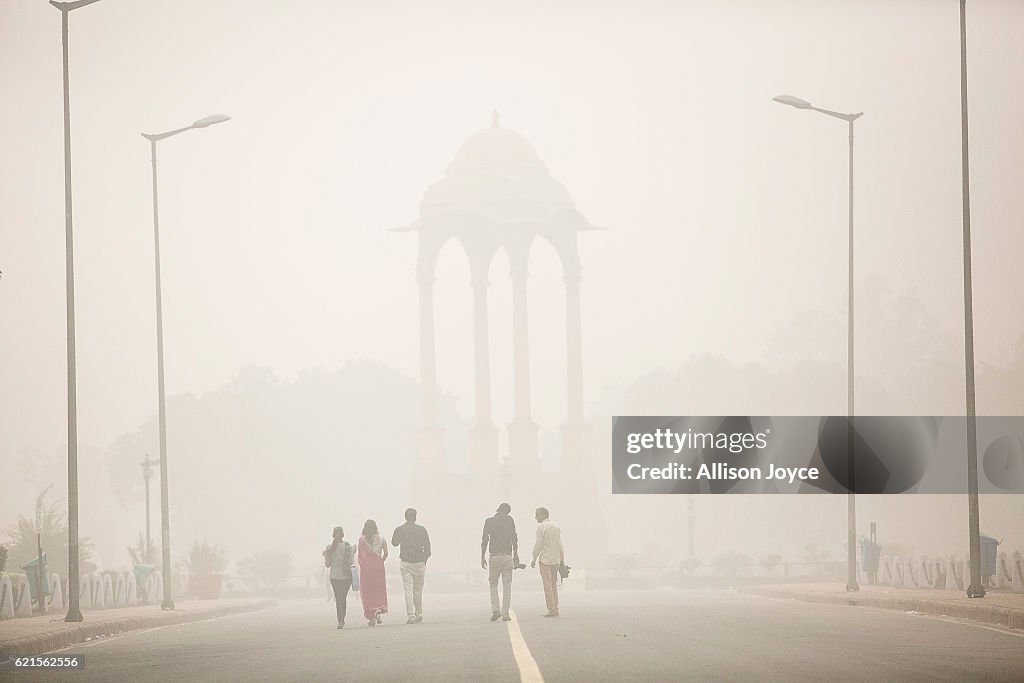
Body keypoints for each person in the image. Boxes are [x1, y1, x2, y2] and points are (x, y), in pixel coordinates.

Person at [391, 508, 431, 624]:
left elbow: (394, 543)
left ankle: (411, 615)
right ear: (415, 517)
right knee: (418, 590)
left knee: (408, 589)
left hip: (406, 563)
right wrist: (424, 561)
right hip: (419, 562)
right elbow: (428, 548)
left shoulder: (400, 529)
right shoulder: (422, 530)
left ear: (405, 517)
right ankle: (419, 613)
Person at [481, 502, 518, 622]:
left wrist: (482, 556)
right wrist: (516, 554)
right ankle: (505, 613)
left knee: (493, 584)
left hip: (495, 556)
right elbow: (514, 537)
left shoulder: (489, 521)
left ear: (498, 510)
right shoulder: (509, 520)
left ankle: (496, 610)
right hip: (507, 556)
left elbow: (485, 539)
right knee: (507, 585)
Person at [531, 507, 564, 617]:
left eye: (537, 515)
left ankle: (551, 609)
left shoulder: (541, 527)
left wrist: (534, 558)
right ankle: (556, 606)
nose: (535, 517)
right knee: (553, 584)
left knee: (547, 585)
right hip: (556, 560)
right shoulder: (556, 526)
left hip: (545, 560)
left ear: (543, 515)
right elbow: (560, 544)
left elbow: (538, 544)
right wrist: (562, 559)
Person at [358, 519, 388, 627]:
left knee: (368, 590)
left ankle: (372, 614)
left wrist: (364, 566)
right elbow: (386, 553)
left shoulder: (362, 540)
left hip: (367, 569)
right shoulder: (382, 539)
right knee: (378, 589)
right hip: (379, 568)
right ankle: (378, 609)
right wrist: (380, 562)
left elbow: (360, 557)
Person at [323, 526, 355, 629]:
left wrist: (326, 556)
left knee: (338, 598)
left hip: (335, 576)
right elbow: (351, 562)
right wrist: (353, 552)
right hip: (346, 577)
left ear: (333, 534)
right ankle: (342, 619)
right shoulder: (347, 546)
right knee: (343, 598)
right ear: (343, 534)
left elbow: (328, 565)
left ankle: (340, 620)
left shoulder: (329, 548)